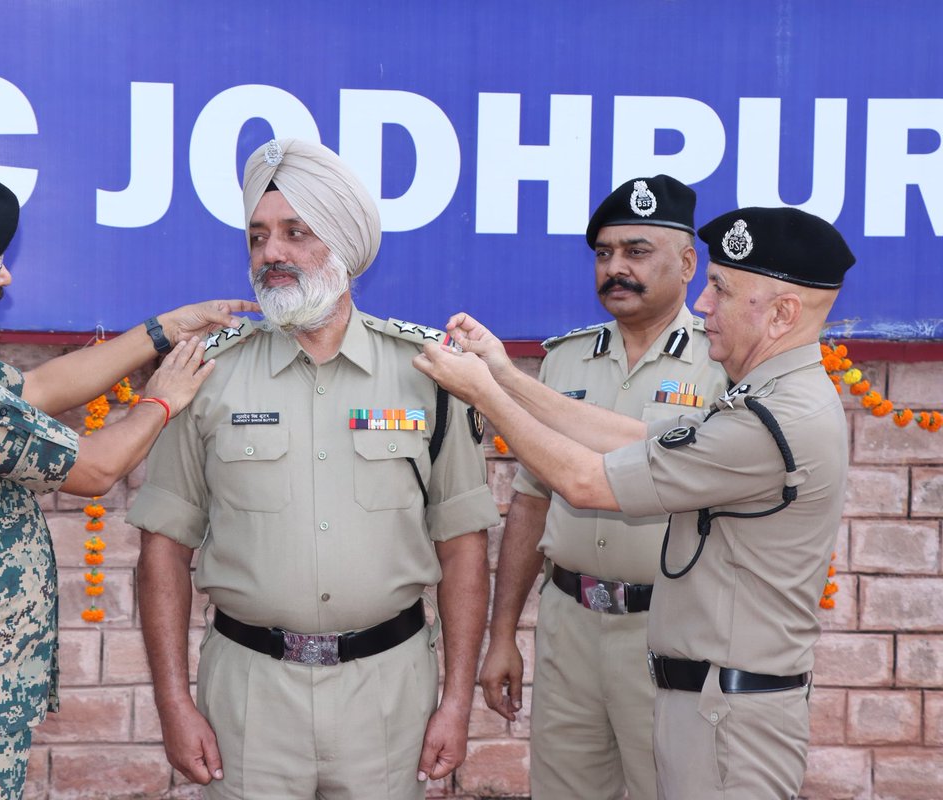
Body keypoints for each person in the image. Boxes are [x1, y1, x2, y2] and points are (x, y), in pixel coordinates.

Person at [0, 166, 255, 799]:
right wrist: (162, 400)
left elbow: (34, 389)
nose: (5, 277)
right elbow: (95, 468)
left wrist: (162, 329)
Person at [414, 206, 854, 800]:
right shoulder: (771, 400)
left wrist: (484, 395)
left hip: (727, 717)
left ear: (782, 314)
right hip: (707, 700)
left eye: (721, 289)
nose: (704, 304)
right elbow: (638, 438)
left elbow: (587, 482)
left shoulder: (773, 420)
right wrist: (505, 376)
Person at [128, 138, 500, 799]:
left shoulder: (429, 374)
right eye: (258, 236)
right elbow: (163, 548)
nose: (271, 253)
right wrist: (173, 702)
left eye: (296, 233)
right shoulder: (204, 375)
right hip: (249, 696)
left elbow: (463, 545)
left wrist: (456, 699)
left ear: (345, 246)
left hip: (389, 695)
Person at [478, 175, 727, 800]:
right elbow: (532, 502)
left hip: (670, 629)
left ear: (687, 264)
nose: (616, 268)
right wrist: (503, 633)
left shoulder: (722, 365)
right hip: (570, 627)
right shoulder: (564, 361)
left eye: (636, 252)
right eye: (604, 254)